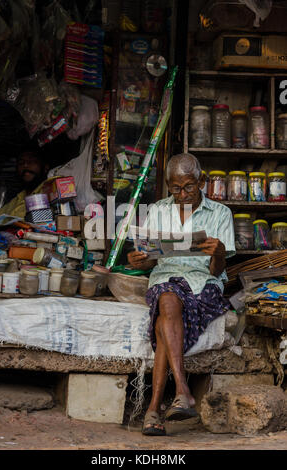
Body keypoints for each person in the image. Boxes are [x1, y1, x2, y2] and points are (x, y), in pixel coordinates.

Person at [127, 153, 236, 436]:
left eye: (188, 186)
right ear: (168, 186)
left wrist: (220, 253)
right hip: (165, 279)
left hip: (203, 283)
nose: (182, 194)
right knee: (167, 296)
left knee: (166, 316)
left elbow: (216, 271)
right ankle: (183, 391)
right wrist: (140, 260)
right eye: (175, 188)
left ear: (201, 181)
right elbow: (151, 259)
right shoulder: (159, 210)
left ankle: (153, 408)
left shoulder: (220, 213)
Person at [0, 148, 50, 221]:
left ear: (46, 167)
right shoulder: (19, 197)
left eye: (31, 161)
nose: (25, 165)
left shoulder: (50, 188)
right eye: (21, 162)